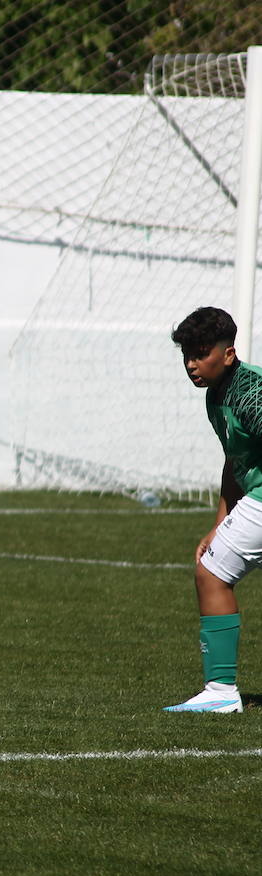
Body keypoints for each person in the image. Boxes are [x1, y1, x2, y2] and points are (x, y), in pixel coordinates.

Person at [165, 306, 252, 714]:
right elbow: (233, 462)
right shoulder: (216, 396)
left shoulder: (253, 394)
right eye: (187, 355)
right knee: (212, 564)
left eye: (200, 353)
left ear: (229, 354)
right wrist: (221, 524)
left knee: (212, 572)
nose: (191, 364)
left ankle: (220, 692)